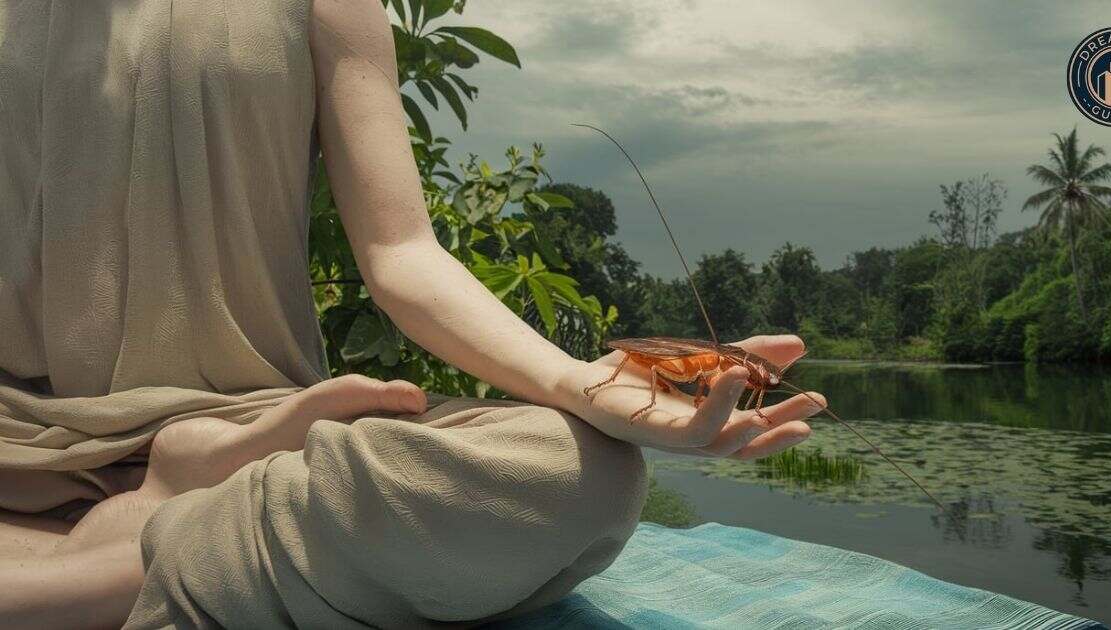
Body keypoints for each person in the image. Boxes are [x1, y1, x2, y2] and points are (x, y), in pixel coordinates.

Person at [0, 0, 824, 627]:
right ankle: (147, 554)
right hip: (13, 440)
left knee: (580, 471)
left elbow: (402, 254)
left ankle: (96, 560)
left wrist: (575, 382)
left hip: (254, 434)